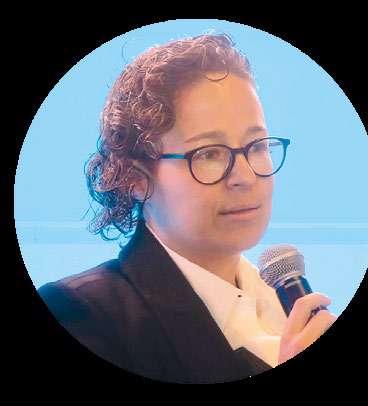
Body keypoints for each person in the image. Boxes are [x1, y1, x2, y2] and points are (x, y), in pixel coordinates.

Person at [38, 33, 336, 383]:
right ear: (135, 177)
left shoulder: (286, 300)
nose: (245, 176)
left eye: (257, 146)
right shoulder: (84, 313)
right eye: (208, 154)